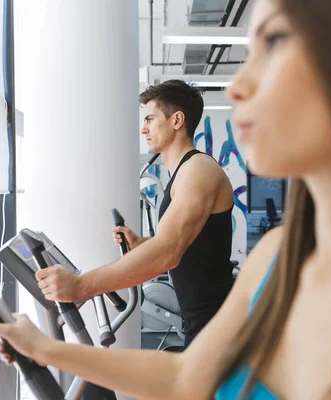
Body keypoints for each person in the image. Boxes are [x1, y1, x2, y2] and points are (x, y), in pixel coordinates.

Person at [0, 0, 331, 398]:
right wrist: (45, 350)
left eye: (273, 43)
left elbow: (170, 250)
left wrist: (81, 285)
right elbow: (187, 376)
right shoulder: (277, 258)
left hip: (203, 311)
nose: (237, 85)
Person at [32, 79, 236, 346]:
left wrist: (80, 286)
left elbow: (168, 252)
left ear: (177, 120)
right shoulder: (184, 173)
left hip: (217, 327)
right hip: (204, 321)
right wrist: (143, 245)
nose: (144, 129)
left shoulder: (198, 171)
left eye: (150, 119)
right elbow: (187, 241)